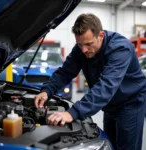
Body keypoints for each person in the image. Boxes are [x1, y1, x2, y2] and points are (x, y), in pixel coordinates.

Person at [34, 13, 146, 150]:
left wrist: (72, 113)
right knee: (109, 144)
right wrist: (47, 91)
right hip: (110, 104)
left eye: (88, 44)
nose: (84, 50)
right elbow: (65, 72)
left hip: (131, 103)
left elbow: (106, 86)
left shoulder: (120, 49)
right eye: (80, 44)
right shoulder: (81, 49)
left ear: (101, 36)